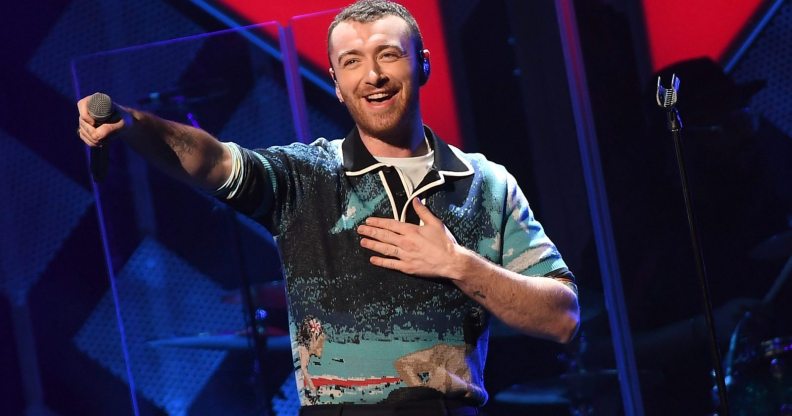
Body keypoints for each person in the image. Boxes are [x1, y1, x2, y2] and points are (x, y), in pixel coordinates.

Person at [76, 1, 580, 414]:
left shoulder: (484, 183)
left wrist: (458, 265)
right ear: (337, 85)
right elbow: (212, 160)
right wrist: (134, 123)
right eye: (352, 62)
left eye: (389, 55)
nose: (374, 76)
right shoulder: (305, 175)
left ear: (422, 63)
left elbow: (562, 318)